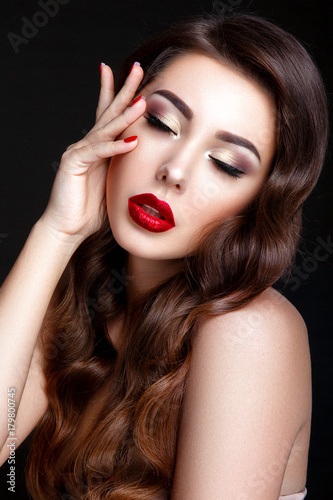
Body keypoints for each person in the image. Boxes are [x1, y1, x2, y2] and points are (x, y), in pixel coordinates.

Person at [0, 11, 328, 500]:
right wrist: (57, 232)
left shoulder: (248, 330)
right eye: (161, 122)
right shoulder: (91, 301)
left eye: (226, 164)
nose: (174, 171)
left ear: (261, 201)